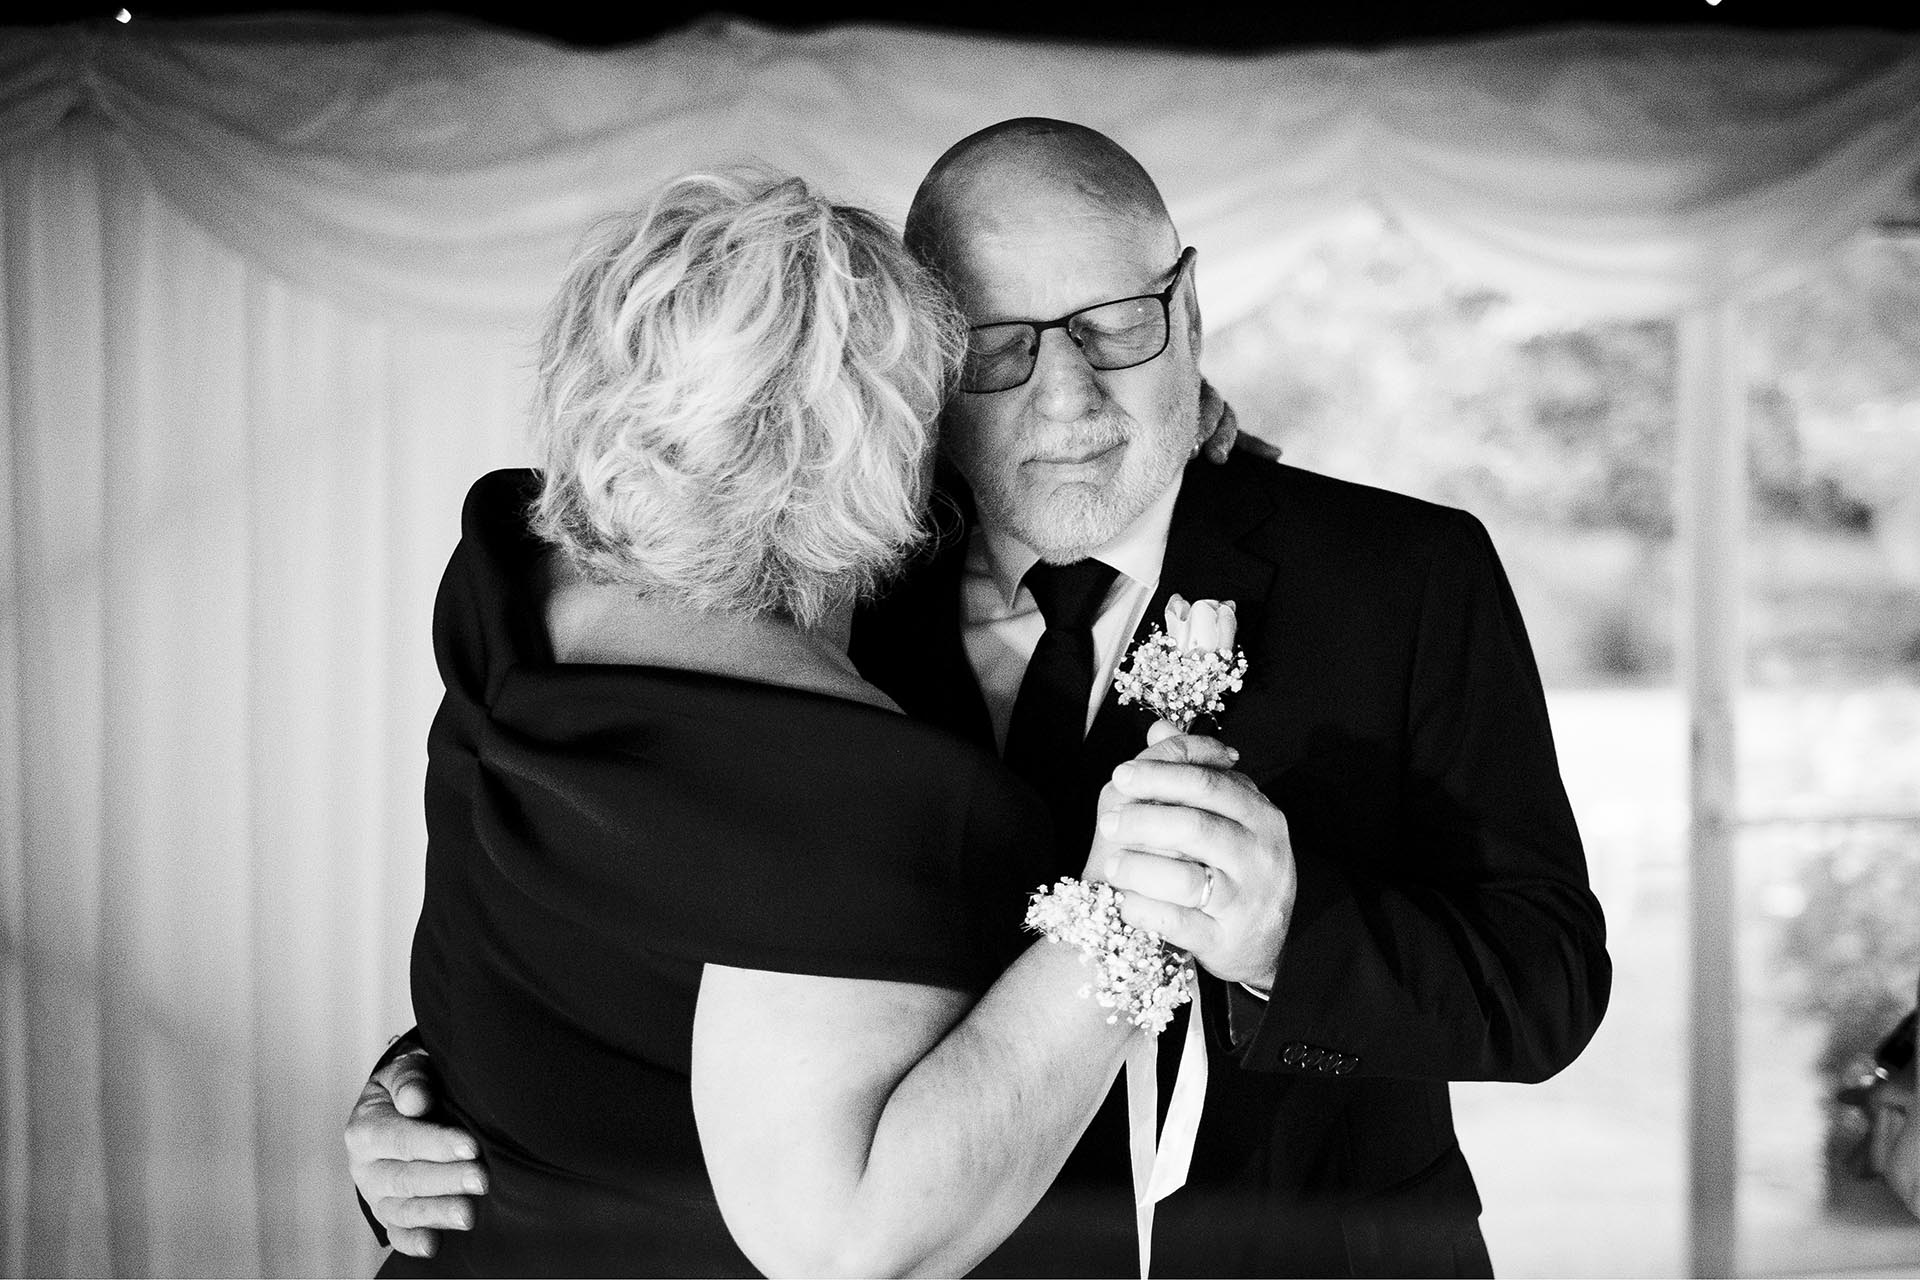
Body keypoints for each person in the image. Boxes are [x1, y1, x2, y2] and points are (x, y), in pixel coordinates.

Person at [352, 119, 1612, 1276]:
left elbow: (1546, 983)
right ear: (922, 376)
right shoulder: (819, 588)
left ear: (1189, 310)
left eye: (1115, 324)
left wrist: (1289, 935)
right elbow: (629, 913)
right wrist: (419, 1099)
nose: (1068, 398)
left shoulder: (1406, 576)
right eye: (1000, 347)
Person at [370, 166, 1244, 1276]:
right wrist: (1134, 908)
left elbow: (583, 977)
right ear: (875, 438)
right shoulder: (835, 776)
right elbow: (847, 1247)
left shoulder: (505, 588)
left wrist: (403, 1082)